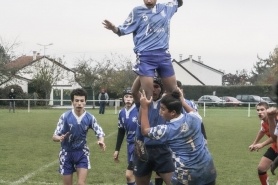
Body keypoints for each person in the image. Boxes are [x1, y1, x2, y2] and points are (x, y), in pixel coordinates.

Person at [103, 0, 183, 99]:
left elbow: (179, 2)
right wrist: (114, 28)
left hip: (164, 55)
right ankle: (144, 114)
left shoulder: (166, 8)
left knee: (174, 93)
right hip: (146, 57)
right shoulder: (137, 11)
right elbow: (122, 30)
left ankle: (184, 114)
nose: (149, 1)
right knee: (147, 97)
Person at [140, 89, 217, 185]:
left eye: (163, 109)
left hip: (188, 175)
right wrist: (183, 101)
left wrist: (144, 108)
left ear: (173, 112)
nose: (160, 112)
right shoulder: (194, 118)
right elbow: (193, 111)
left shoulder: (166, 130)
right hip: (208, 169)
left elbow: (144, 131)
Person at [52, 88, 106, 185]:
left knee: (81, 183)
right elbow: (54, 136)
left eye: (82, 101)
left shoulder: (90, 117)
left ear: (85, 102)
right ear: (72, 101)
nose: (79, 103)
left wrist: (101, 140)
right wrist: (59, 138)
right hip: (66, 153)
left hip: (82, 152)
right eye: (76, 100)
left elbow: (99, 132)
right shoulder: (65, 117)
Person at [132, 76, 175, 185]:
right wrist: (142, 74)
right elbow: (134, 91)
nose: (153, 89)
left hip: (162, 149)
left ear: (161, 89)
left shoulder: (166, 102)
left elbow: (171, 88)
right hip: (142, 148)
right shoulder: (142, 102)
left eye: (156, 87)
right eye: (151, 87)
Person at [113, 88, 139, 185]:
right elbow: (121, 132)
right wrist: (117, 149)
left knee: (129, 175)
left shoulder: (139, 109)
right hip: (129, 146)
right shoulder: (121, 113)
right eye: (126, 96)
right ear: (123, 98)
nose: (128, 99)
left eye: (131, 97)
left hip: (139, 146)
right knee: (138, 176)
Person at [248, 102, 278, 185]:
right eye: (258, 110)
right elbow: (262, 131)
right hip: (275, 147)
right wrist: (254, 143)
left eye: (262, 110)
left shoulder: (275, 119)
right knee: (261, 168)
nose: (259, 112)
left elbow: (275, 136)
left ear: (267, 110)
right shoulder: (263, 121)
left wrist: (262, 144)